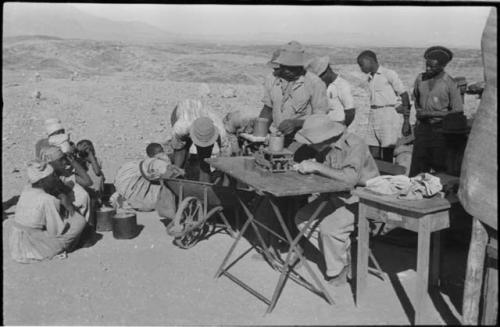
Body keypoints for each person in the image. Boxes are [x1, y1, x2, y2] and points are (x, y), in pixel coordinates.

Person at [293, 114, 379, 285]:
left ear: (326, 137)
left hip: (362, 200)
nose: (309, 144)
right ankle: (340, 254)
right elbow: (329, 169)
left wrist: (317, 167)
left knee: (329, 229)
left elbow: (349, 180)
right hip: (336, 196)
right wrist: (312, 165)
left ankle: (338, 269)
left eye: (312, 140)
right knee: (303, 219)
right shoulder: (327, 147)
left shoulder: (355, 145)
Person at [9, 160, 87, 263]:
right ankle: (67, 247)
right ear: (42, 181)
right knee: (79, 221)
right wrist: (68, 206)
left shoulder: (26, 189)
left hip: (16, 239)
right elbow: (55, 231)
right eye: (53, 176)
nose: (56, 178)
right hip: (32, 244)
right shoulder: (48, 199)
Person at [259, 41, 329, 149]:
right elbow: (268, 109)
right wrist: (259, 131)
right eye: (284, 66)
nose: (287, 70)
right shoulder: (271, 79)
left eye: (292, 67)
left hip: (302, 142)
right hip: (276, 138)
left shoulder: (315, 83)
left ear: (301, 66)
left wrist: (296, 123)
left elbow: (320, 119)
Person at [409, 46, 464, 177]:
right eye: (427, 65)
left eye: (432, 67)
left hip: (441, 132)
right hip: (422, 130)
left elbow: (458, 111)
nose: (428, 69)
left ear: (442, 66)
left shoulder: (449, 83)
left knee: (439, 169)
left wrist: (430, 114)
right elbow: (416, 99)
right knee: (418, 168)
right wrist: (419, 114)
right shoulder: (420, 79)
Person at [357, 50, 411, 162]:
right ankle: (377, 176)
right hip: (373, 115)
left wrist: (406, 121)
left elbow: (404, 95)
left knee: (387, 149)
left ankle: (388, 176)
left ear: (370, 61)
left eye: (362, 65)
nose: (361, 68)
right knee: (372, 149)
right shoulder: (370, 78)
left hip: (387, 115)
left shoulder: (388, 74)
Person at [170, 99, 230, 182]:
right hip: (182, 110)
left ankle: (202, 179)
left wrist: (220, 174)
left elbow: (226, 159)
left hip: (202, 110)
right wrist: (177, 168)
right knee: (181, 154)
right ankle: (178, 177)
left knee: (204, 161)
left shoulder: (221, 131)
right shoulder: (180, 128)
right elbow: (177, 147)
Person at [113, 144, 184, 214]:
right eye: (162, 151)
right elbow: (166, 168)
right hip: (134, 194)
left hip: (125, 189)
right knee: (164, 197)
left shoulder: (133, 164)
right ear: (161, 151)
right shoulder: (154, 162)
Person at [40, 146, 92, 223]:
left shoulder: (64, 174)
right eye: (60, 160)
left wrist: (73, 162)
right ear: (50, 163)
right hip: (54, 219)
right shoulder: (42, 179)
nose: (64, 162)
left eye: (64, 159)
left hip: (70, 215)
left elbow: (88, 182)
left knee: (83, 194)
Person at [306, 56, 356, 126]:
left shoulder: (342, 85)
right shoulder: (321, 85)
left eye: (320, 77)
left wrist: (343, 126)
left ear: (328, 71)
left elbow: (350, 111)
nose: (319, 79)